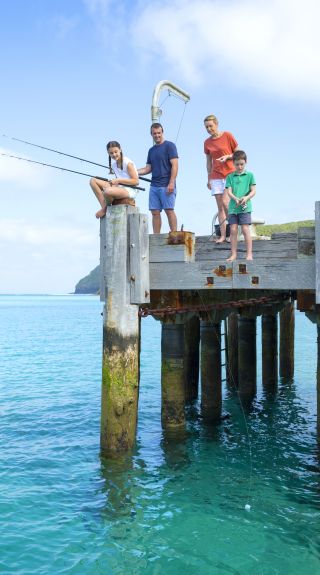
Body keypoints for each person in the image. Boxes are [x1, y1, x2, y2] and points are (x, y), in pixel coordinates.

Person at [204, 114, 239, 243]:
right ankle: (223, 235)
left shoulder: (227, 135)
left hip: (230, 174)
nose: (209, 129)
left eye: (211, 126)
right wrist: (208, 178)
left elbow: (238, 153)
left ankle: (234, 232)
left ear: (216, 124)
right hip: (215, 176)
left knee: (226, 202)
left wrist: (228, 157)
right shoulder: (207, 142)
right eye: (207, 127)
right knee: (220, 207)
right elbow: (208, 161)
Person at [138, 123, 178, 233]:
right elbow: (147, 169)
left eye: (159, 133)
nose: (157, 135)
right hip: (154, 186)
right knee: (154, 212)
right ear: (151, 134)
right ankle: (156, 236)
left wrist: (171, 183)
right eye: (154, 133)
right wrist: (134, 172)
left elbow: (175, 165)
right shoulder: (151, 150)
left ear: (162, 132)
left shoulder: (170, 146)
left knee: (169, 210)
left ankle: (174, 233)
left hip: (167, 184)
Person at [90, 141, 139, 218]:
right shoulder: (113, 165)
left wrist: (118, 180)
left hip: (130, 190)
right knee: (93, 180)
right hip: (119, 187)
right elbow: (119, 179)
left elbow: (136, 181)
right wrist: (115, 183)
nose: (114, 154)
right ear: (108, 153)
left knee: (107, 191)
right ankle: (103, 207)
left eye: (116, 152)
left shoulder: (128, 163)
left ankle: (106, 208)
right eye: (111, 153)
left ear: (120, 150)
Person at [225, 150, 256, 262]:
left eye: (242, 164)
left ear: (245, 162)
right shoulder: (230, 177)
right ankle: (233, 254)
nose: (239, 166)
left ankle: (249, 254)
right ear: (233, 163)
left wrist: (246, 198)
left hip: (245, 207)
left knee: (245, 229)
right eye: (237, 164)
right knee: (233, 229)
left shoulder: (250, 175)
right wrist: (235, 199)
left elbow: (253, 191)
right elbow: (229, 191)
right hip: (233, 208)